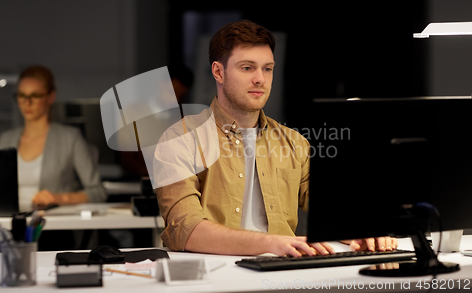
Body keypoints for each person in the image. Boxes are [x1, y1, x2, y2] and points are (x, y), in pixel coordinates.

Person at [153, 20, 397, 256]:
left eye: (267, 68)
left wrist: (363, 231)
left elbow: (331, 210)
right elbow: (185, 230)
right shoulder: (179, 139)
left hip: (282, 273)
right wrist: (269, 243)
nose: (260, 78)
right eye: (247, 68)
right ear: (218, 71)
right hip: (215, 279)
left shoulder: (294, 143)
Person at [0, 66, 107, 212]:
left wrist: (59, 198)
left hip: (52, 225)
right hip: (11, 223)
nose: (27, 103)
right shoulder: (5, 139)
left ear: (50, 97)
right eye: (22, 96)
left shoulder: (69, 138)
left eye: (35, 96)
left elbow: (98, 192)